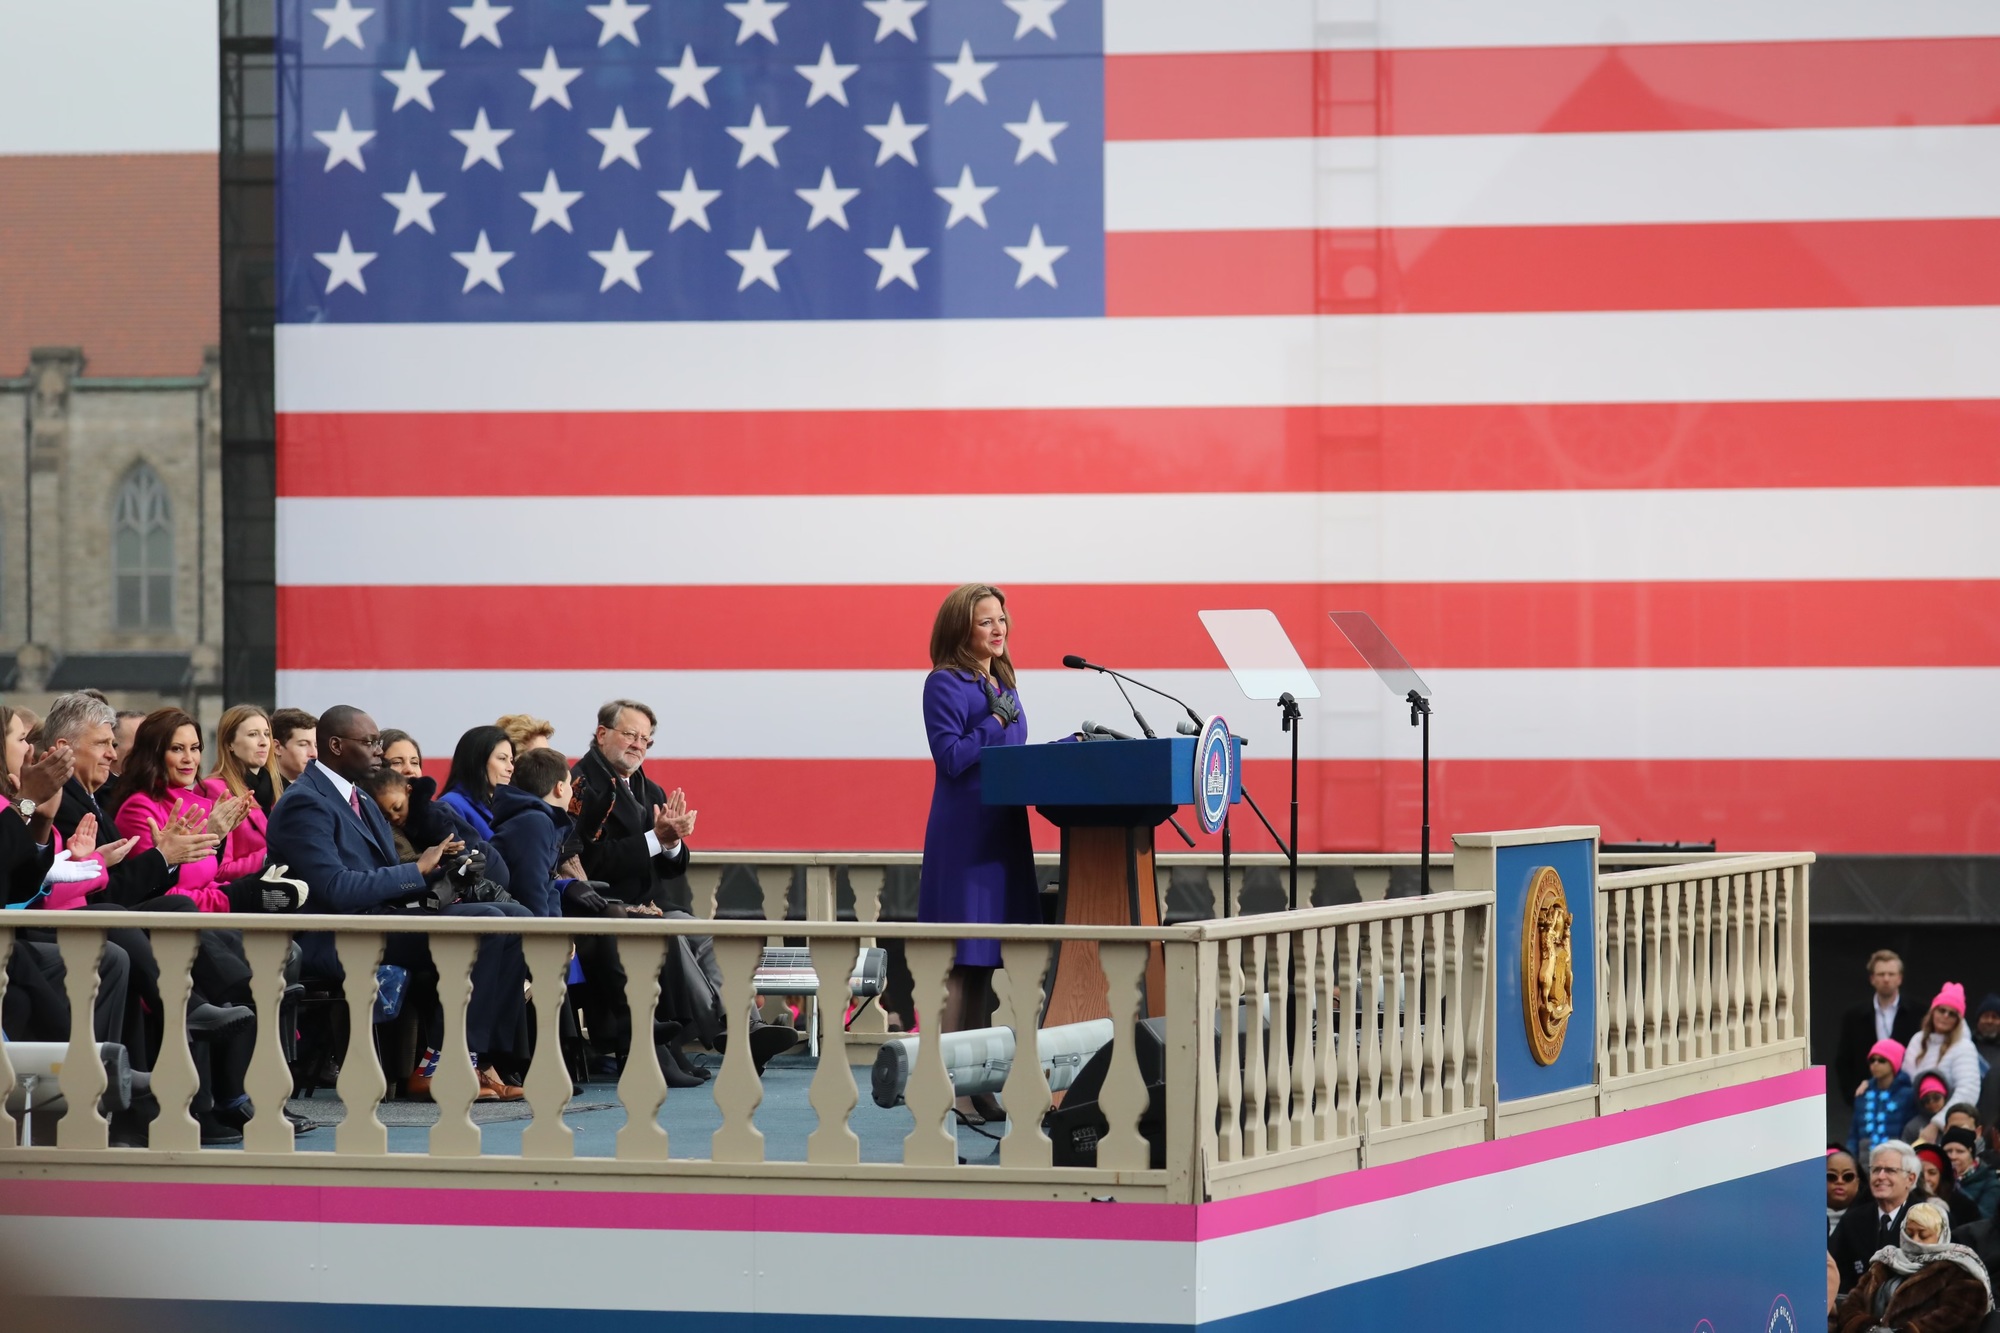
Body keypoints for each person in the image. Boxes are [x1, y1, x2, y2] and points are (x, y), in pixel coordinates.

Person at [266, 704, 530, 1102]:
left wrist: (445, 871)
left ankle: (483, 1059)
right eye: (369, 742)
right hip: (338, 934)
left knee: (515, 916)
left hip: (382, 922)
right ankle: (442, 1063)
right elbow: (335, 889)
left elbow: (395, 879)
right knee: (488, 921)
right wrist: (417, 870)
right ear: (335, 745)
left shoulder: (362, 799)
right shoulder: (304, 802)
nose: (378, 750)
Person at [568, 698, 795, 1078]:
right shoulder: (582, 784)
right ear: (603, 734)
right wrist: (656, 839)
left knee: (707, 935)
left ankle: (746, 1024)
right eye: (630, 735)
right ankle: (730, 1031)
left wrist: (671, 843)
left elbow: (673, 868)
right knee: (672, 935)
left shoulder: (650, 788)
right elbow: (586, 861)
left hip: (651, 903)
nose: (638, 745)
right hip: (606, 909)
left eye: (646, 739)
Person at [918, 583, 1036, 1124]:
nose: (998, 628)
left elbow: (1013, 756)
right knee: (963, 968)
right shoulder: (944, 682)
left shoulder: (1003, 680)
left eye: (1002, 619)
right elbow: (951, 758)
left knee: (987, 967)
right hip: (965, 834)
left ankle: (980, 1084)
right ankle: (953, 1089)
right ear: (962, 628)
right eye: (986, 620)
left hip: (1003, 832)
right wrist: (993, 721)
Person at [111, 708, 269, 912]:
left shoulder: (191, 802)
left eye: (194, 748)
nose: (189, 758)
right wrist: (233, 897)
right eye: (177, 749)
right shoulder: (138, 808)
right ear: (154, 754)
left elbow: (204, 881)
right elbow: (163, 895)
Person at [1833, 1200, 1993, 1333]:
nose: (1915, 1240)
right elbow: (1852, 1304)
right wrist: (1869, 1328)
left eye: (1923, 1235)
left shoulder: (1960, 1270)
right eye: (1909, 1234)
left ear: (1941, 1235)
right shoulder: (1885, 1262)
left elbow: (1957, 1317)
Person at [487, 746, 581, 918]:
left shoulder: (539, 820)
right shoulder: (535, 822)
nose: (572, 791)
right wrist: (545, 937)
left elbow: (548, 887)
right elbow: (531, 887)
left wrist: (558, 932)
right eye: (569, 783)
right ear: (560, 787)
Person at [1832, 1139, 1929, 1293]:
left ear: (1910, 1179)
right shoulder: (1852, 1221)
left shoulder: (1928, 1220)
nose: (1880, 1176)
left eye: (1890, 1170)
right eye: (1876, 1170)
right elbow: (1835, 1272)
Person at [1840, 951, 1926, 1110]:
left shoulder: (1919, 1013)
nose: (1886, 979)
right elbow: (1844, 1060)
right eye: (1881, 974)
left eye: (1891, 974)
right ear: (1872, 979)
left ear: (1899, 978)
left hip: (1907, 1096)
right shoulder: (1854, 1016)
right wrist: (1852, 1095)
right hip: (1867, 1097)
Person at [1908, 984, 1983, 1139]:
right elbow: (1903, 1080)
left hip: (1946, 1129)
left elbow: (1968, 1091)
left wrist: (1937, 1124)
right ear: (1933, 1011)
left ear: (1958, 1020)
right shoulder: (1918, 1040)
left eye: (1952, 1014)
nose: (1945, 1016)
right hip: (1912, 1121)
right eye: (1941, 1010)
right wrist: (1871, 1084)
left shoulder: (1964, 1047)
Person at [208, 705, 277, 871]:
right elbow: (220, 869)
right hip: (242, 892)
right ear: (230, 743)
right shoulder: (215, 789)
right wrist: (275, 854)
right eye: (253, 734)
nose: (263, 742)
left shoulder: (277, 787)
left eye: (266, 734)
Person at [437, 725, 514, 843]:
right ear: (478, 760)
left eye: (511, 761)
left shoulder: (505, 808)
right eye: (502, 758)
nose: (510, 768)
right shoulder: (451, 805)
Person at [1854, 1038, 1917, 1164]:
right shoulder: (1863, 1093)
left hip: (1895, 1165)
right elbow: (1854, 1135)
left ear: (1894, 1063)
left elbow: (1910, 1135)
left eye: (1882, 1060)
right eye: (1872, 1060)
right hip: (1864, 1166)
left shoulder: (1908, 1095)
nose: (1875, 1064)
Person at [1946, 1123, 2000, 1221]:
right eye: (1948, 1151)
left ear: (1971, 1155)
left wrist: (1955, 1189)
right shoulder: (1935, 1179)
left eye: (1960, 1151)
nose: (1953, 1156)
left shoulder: (1990, 1182)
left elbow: (1985, 1220)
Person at [269, 707, 318, 788]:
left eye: (316, 745)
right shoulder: (257, 792)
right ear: (277, 747)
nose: (314, 754)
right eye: (303, 744)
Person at [1831, 1147, 1864, 1236]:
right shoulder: (1806, 1217)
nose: (1840, 1181)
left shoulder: (1871, 1218)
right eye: (1831, 1176)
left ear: (1857, 1182)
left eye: (1848, 1176)